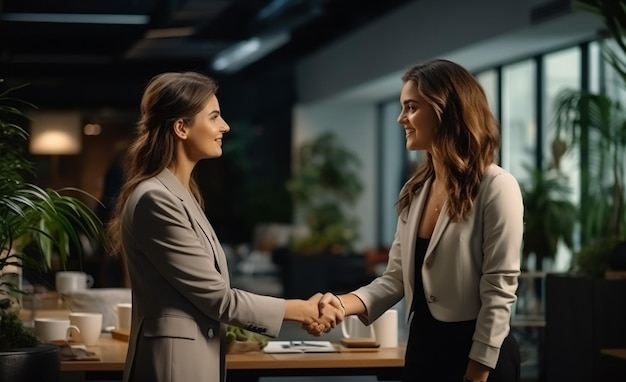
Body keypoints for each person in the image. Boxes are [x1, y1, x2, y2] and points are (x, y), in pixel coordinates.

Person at [107, 71, 340, 382]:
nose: (225, 126)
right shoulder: (157, 200)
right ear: (181, 128)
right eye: (214, 116)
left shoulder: (179, 194)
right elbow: (217, 298)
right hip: (173, 366)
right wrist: (300, 309)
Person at [312, 59, 524, 382]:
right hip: (423, 350)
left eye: (411, 108)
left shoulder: (497, 187)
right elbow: (393, 280)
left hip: (480, 357)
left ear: (445, 111)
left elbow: (499, 290)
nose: (401, 119)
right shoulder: (416, 190)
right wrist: (340, 304)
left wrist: (478, 371)